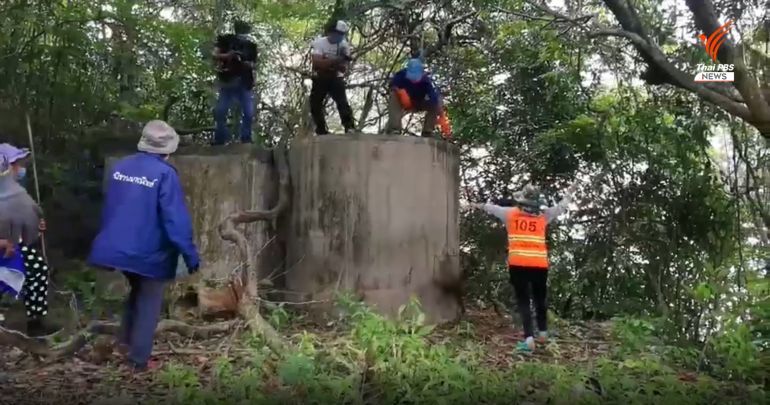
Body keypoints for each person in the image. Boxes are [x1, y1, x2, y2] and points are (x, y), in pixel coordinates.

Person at [88, 120, 201, 371]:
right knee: (150, 299)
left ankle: (124, 344)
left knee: (137, 291)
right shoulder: (165, 174)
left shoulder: (121, 167)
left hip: (115, 248)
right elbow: (175, 220)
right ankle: (138, 361)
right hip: (148, 252)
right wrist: (190, 254)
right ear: (167, 150)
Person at [469, 182, 578, 352]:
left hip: (518, 264)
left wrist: (474, 204)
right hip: (539, 264)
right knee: (540, 299)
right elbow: (561, 207)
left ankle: (528, 340)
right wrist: (570, 192)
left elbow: (490, 208)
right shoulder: (544, 215)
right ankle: (542, 334)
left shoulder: (510, 214)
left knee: (523, 301)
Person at [0, 143, 52, 337]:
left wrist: (36, 226)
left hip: (14, 246)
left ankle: (35, 322)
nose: (20, 168)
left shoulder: (15, 191)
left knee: (38, 269)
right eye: (16, 163)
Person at [212, 19, 259, 145]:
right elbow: (215, 55)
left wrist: (247, 65)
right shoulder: (226, 40)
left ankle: (246, 138)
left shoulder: (251, 46)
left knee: (248, 113)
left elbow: (254, 64)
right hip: (228, 80)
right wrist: (229, 56)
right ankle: (220, 139)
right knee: (221, 111)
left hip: (245, 81)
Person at [309, 20, 355, 135]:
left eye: (342, 34)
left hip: (335, 78)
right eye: (337, 33)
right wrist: (335, 61)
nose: (339, 37)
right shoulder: (320, 43)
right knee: (315, 103)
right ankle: (321, 129)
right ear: (330, 32)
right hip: (320, 77)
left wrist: (328, 62)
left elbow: (343, 69)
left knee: (342, 102)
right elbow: (316, 63)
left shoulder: (344, 45)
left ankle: (349, 127)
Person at [387, 58, 450, 138]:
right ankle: (394, 129)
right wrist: (400, 92)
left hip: (418, 102)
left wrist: (442, 116)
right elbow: (391, 86)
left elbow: (434, 98)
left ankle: (427, 131)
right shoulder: (401, 75)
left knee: (437, 102)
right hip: (403, 101)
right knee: (393, 95)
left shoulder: (426, 81)